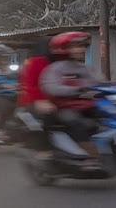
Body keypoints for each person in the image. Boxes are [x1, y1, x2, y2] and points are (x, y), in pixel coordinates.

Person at [40, 32, 100, 161]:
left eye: (83, 46)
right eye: (77, 46)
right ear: (63, 48)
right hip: (64, 108)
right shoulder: (55, 69)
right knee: (77, 123)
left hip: (86, 106)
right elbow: (51, 87)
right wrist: (76, 90)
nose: (82, 49)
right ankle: (89, 154)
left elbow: (98, 83)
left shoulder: (84, 69)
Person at [17, 37, 57, 155]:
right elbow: (30, 85)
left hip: (53, 100)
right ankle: (44, 150)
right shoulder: (36, 61)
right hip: (34, 101)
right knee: (47, 119)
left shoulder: (57, 62)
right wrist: (39, 101)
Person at [0, 43, 18, 138]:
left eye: (6, 57)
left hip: (9, 95)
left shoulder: (9, 69)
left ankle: (5, 130)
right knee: (4, 104)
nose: (4, 59)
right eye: (2, 57)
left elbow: (14, 80)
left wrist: (14, 85)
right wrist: (3, 86)